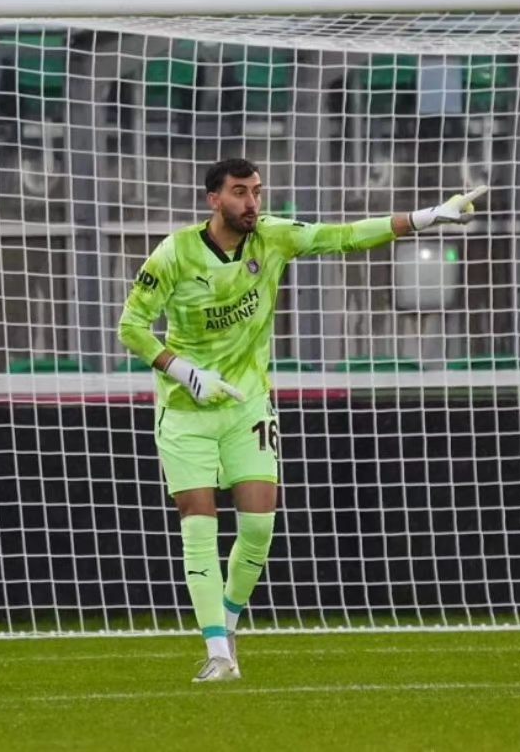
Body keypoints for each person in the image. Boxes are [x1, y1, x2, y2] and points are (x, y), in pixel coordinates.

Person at [117, 157, 486, 683]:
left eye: (257, 192)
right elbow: (131, 327)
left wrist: (426, 217)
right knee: (199, 524)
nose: (252, 203)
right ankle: (218, 652)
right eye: (240, 193)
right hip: (186, 410)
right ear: (213, 200)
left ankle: (227, 619)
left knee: (260, 524)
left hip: (247, 403)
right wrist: (182, 370)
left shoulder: (274, 238)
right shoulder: (174, 253)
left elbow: (346, 237)